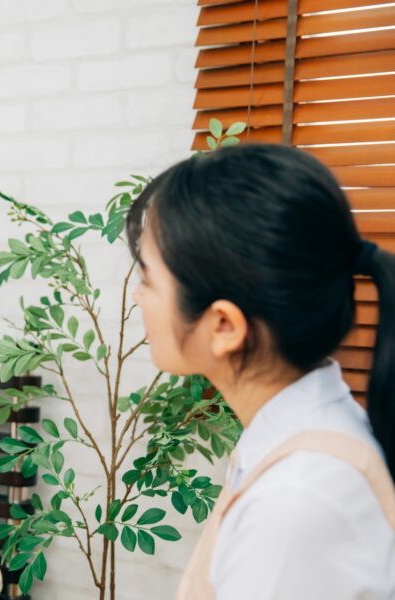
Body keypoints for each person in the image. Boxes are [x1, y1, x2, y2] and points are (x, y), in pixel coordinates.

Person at [126, 143, 395, 599]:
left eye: (148, 279)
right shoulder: (290, 447)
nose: (137, 297)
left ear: (224, 325)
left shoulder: (297, 499)